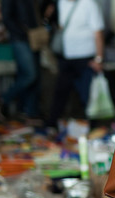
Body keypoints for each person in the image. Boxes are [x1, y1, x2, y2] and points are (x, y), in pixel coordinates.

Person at [46, 0, 105, 128]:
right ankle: (52, 125)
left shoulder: (89, 4)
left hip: (86, 58)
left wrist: (99, 59)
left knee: (87, 94)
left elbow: (98, 32)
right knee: (60, 92)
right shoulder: (59, 3)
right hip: (66, 57)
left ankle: (93, 127)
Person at [0, 0, 42, 122]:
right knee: (30, 75)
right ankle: (4, 99)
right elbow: (6, 17)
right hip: (20, 39)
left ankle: (29, 111)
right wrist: (24, 33)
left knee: (34, 77)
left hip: (34, 37)